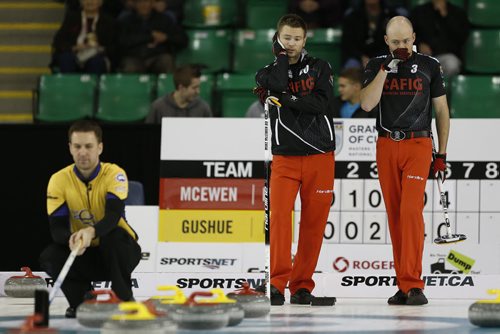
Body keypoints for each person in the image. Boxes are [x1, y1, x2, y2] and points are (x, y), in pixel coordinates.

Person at [360, 16, 449, 305]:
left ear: (414, 36)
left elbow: (442, 111)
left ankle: (414, 284)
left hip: (418, 144)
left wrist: (443, 153)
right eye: (396, 42)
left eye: (407, 40)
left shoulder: (429, 65)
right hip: (386, 144)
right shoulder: (376, 65)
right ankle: (403, 284)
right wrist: (386, 70)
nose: (402, 46)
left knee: (411, 212)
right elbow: (366, 103)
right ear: (387, 41)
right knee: (396, 218)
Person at [255, 14, 335, 305]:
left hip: (320, 155)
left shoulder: (320, 67)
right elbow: (275, 82)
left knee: (314, 224)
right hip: (285, 157)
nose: (291, 44)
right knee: (279, 222)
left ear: (305, 40)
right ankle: (276, 283)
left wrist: (284, 99)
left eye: (296, 39)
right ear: (278, 38)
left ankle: (302, 286)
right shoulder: (266, 73)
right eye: (286, 38)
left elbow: (321, 104)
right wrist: (279, 59)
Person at [39, 120, 141, 318]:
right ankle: (81, 302)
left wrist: (91, 232)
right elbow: (57, 227)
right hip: (83, 252)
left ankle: (125, 299)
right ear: (70, 148)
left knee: (114, 238)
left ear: (100, 147)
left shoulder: (115, 174)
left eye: (88, 146)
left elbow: (113, 215)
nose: (83, 152)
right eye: (77, 146)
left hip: (118, 253)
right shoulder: (58, 180)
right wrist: (72, 238)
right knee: (50, 255)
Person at [118, 0, 187, 73]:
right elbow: (121, 42)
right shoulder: (126, 21)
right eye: (140, 2)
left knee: (166, 60)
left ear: (153, 3)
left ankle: (168, 84)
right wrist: (150, 37)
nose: (143, 5)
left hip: (157, 57)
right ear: (134, 4)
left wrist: (166, 38)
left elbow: (183, 39)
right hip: (134, 57)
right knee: (130, 66)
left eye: (147, 1)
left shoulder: (164, 19)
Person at [51, 0, 117, 74]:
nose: (90, 2)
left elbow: (113, 45)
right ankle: (69, 85)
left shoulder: (109, 21)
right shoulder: (72, 18)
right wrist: (75, 48)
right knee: (66, 59)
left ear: (100, 2)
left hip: (97, 54)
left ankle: (94, 85)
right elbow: (58, 41)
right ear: (81, 2)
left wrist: (99, 48)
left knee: (96, 62)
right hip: (75, 53)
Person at [410, 0, 469, 76]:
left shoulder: (458, 13)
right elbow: (408, 34)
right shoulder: (419, 12)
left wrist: (445, 15)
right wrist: (419, 44)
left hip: (446, 57)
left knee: (451, 64)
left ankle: (443, 87)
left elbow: (461, 38)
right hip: (422, 57)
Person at [341, 0, 399, 69]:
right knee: (351, 65)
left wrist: (377, 59)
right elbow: (348, 44)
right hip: (358, 58)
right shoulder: (352, 16)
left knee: (392, 66)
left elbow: (394, 43)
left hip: (383, 57)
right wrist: (361, 57)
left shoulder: (391, 16)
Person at [145, 64, 212, 123]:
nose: (198, 91)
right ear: (181, 88)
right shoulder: (158, 107)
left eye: (198, 87)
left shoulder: (203, 108)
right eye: (194, 88)